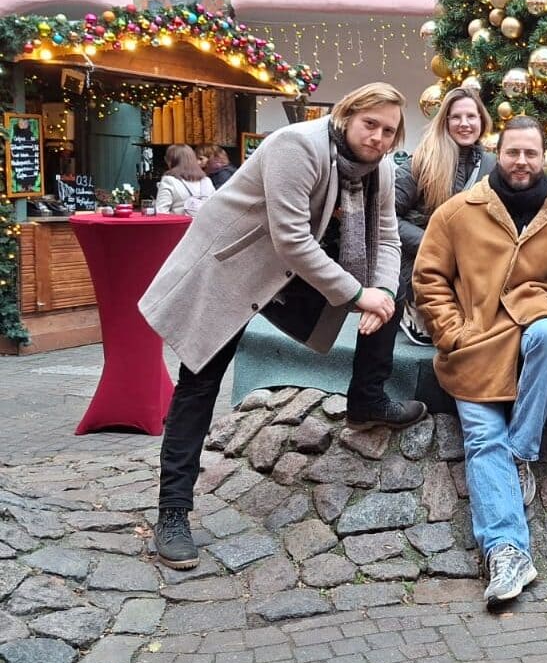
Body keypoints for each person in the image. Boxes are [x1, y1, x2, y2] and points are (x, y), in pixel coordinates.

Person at [140, 82, 427, 571]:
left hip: (288, 278)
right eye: (370, 125)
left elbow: (384, 236)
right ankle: (173, 513)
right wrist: (358, 295)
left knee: (391, 289)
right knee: (199, 386)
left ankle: (367, 400)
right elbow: (292, 238)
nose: (379, 137)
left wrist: (377, 294)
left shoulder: (377, 169)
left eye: (389, 131)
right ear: (346, 116)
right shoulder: (297, 146)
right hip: (232, 271)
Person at [414, 117, 547, 607]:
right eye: (514, 152)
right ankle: (506, 550)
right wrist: (452, 332)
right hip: (475, 349)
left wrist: (535, 306)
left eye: (532, 153)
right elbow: (429, 279)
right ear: (498, 152)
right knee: (482, 436)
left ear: (545, 157)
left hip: (532, 338)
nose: (522, 162)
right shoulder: (456, 213)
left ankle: (522, 452)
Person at [395, 87, 496, 344]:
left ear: (481, 121)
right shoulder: (421, 162)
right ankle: (411, 307)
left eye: (471, 117)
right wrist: (433, 245)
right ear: (445, 121)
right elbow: (386, 218)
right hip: (422, 263)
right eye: (456, 117)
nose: (464, 124)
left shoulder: (492, 165)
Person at [154, 144, 215, 216]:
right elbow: (214, 207)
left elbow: (161, 212)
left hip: (180, 226)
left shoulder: (169, 180)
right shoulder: (206, 180)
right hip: (204, 225)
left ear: (170, 161)